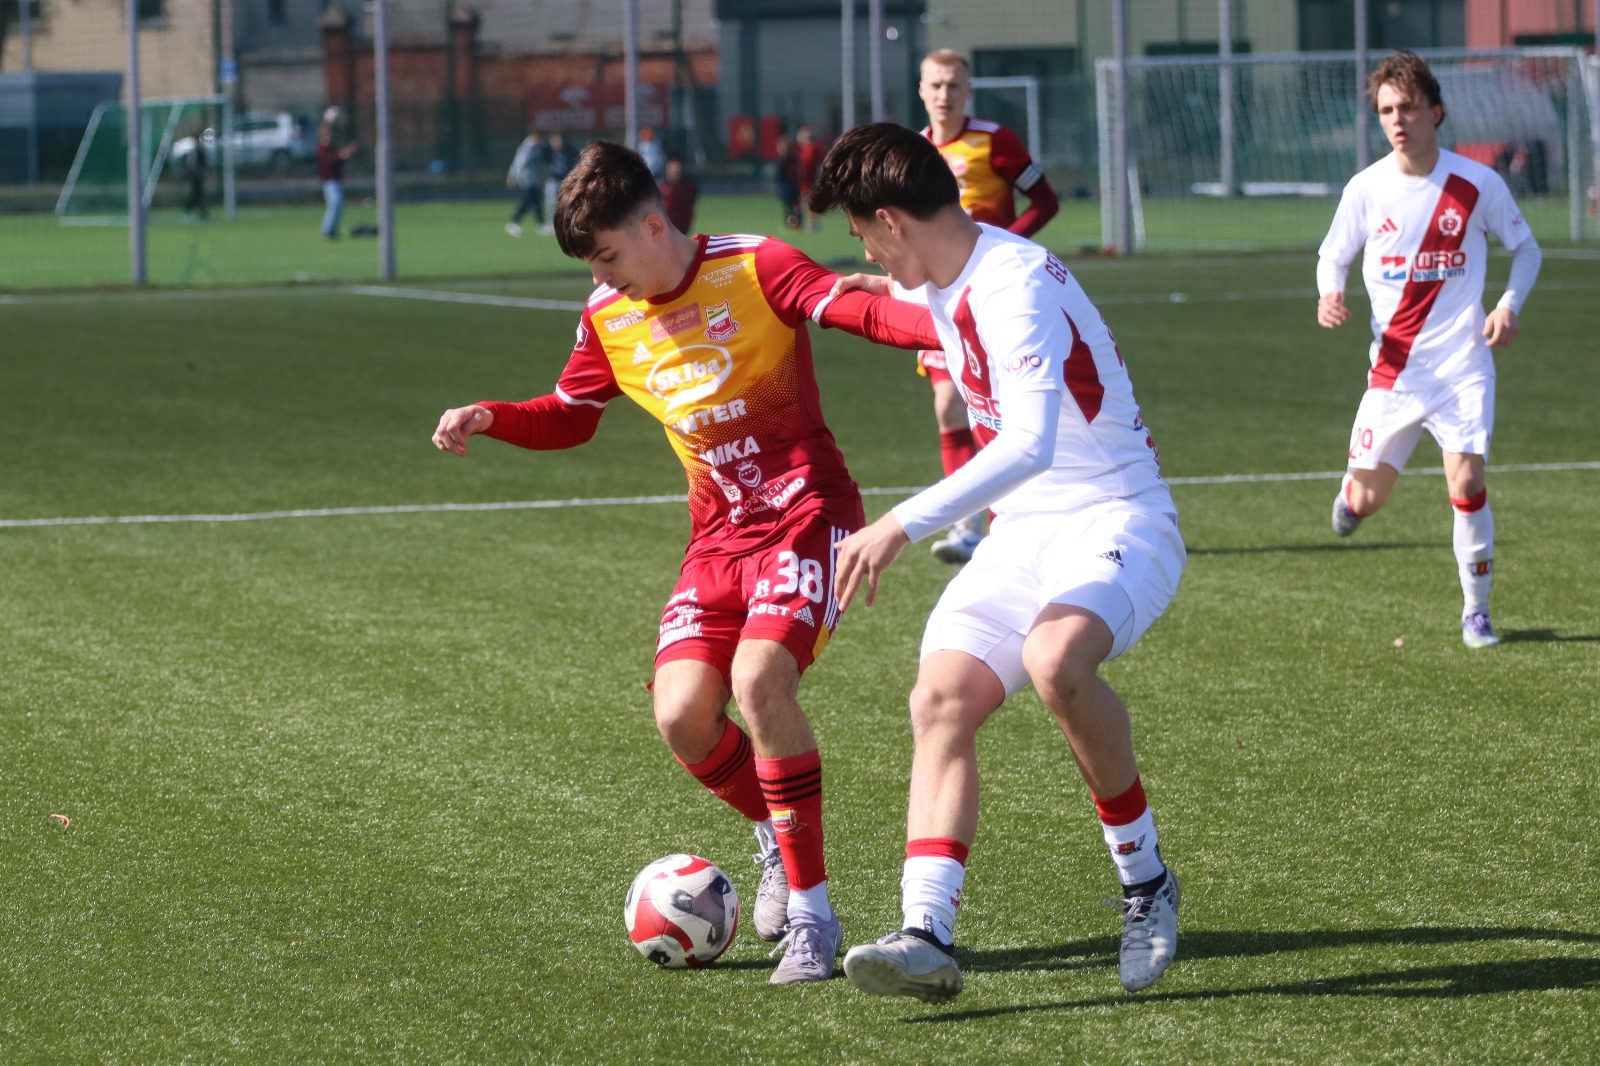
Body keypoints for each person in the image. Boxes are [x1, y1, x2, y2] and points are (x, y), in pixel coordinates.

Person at [431, 141, 939, 985]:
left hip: (808, 513)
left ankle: (812, 917)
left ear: (653, 223)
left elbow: (852, 310)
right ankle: (777, 838)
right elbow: (571, 412)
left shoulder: (754, 265)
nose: (603, 277)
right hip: (717, 538)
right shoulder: (607, 316)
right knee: (681, 717)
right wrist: (492, 415)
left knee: (760, 681)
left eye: (607, 255)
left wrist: (956, 329)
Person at [806, 122, 1184, 1004]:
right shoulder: (949, 269)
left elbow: (1029, 443)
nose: (863, 249)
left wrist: (900, 522)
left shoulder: (1013, 281)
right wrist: (874, 298)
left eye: (863, 234)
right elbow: (936, 316)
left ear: (892, 221)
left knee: (1057, 663)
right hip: (1023, 534)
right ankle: (926, 935)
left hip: (1115, 517)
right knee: (940, 697)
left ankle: (1146, 882)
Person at [1317, 50, 1541, 648]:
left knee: (1466, 484)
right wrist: (1328, 294)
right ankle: (1351, 499)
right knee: (1368, 498)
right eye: (1387, 110)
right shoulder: (1366, 189)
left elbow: (1527, 250)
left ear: (1435, 112)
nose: (1397, 120)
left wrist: (1507, 305)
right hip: (1394, 372)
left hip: (1462, 365)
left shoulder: (1475, 184)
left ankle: (1476, 611)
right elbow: (1331, 254)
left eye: (1408, 107)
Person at [916, 48, 1061, 564]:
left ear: (967, 90)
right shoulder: (912, 151)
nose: (944, 95)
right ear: (921, 91)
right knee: (948, 403)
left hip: (999, 293)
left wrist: (1002, 244)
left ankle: (1024, 518)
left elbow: (1046, 200)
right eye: (935, 85)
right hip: (941, 299)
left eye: (953, 85)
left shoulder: (995, 140)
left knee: (1001, 409)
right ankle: (967, 527)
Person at [315, 123, 358, 239]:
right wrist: (341, 156)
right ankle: (327, 228)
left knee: (338, 204)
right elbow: (326, 162)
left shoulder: (330, 145)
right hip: (329, 180)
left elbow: (337, 162)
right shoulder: (323, 146)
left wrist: (345, 155)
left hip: (335, 179)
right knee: (335, 203)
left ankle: (333, 229)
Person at [505, 128, 550, 237]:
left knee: (536, 201)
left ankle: (540, 224)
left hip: (535, 180)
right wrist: (513, 177)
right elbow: (519, 163)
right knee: (527, 201)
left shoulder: (538, 147)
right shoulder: (527, 147)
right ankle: (514, 223)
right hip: (527, 179)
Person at [540, 132, 574, 236]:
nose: (556, 143)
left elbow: (572, 163)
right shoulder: (546, 152)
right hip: (552, 179)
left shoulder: (567, 151)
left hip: (564, 179)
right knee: (551, 202)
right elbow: (543, 165)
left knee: (565, 202)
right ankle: (550, 223)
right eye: (554, 141)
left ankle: (565, 224)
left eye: (558, 141)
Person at [658, 155, 699, 234]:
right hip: (665, 230)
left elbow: (692, 206)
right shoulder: (661, 187)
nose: (676, 171)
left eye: (678, 169)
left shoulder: (688, 188)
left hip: (683, 228)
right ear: (668, 169)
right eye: (673, 168)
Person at [796, 126, 825, 231]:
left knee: (810, 200)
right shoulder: (803, 149)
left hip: (811, 178)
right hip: (804, 179)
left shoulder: (812, 148)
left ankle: (814, 222)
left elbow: (809, 164)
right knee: (804, 200)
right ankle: (807, 220)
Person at [774, 135, 801, 230]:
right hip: (789, 185)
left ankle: (793, 223)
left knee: (791, 206)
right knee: (790, 205)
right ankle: (793, 223)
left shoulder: (786, 160)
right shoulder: (793, 159)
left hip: (789, 186)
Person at [182, 135, 208, 222]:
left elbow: (203, 165)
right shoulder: (193, 151)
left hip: (198, 178)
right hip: (194, 178)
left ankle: (202, 215)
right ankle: (189, 213)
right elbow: (190, 164)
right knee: (195, 196)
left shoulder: (199, 151)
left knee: (199, 196)